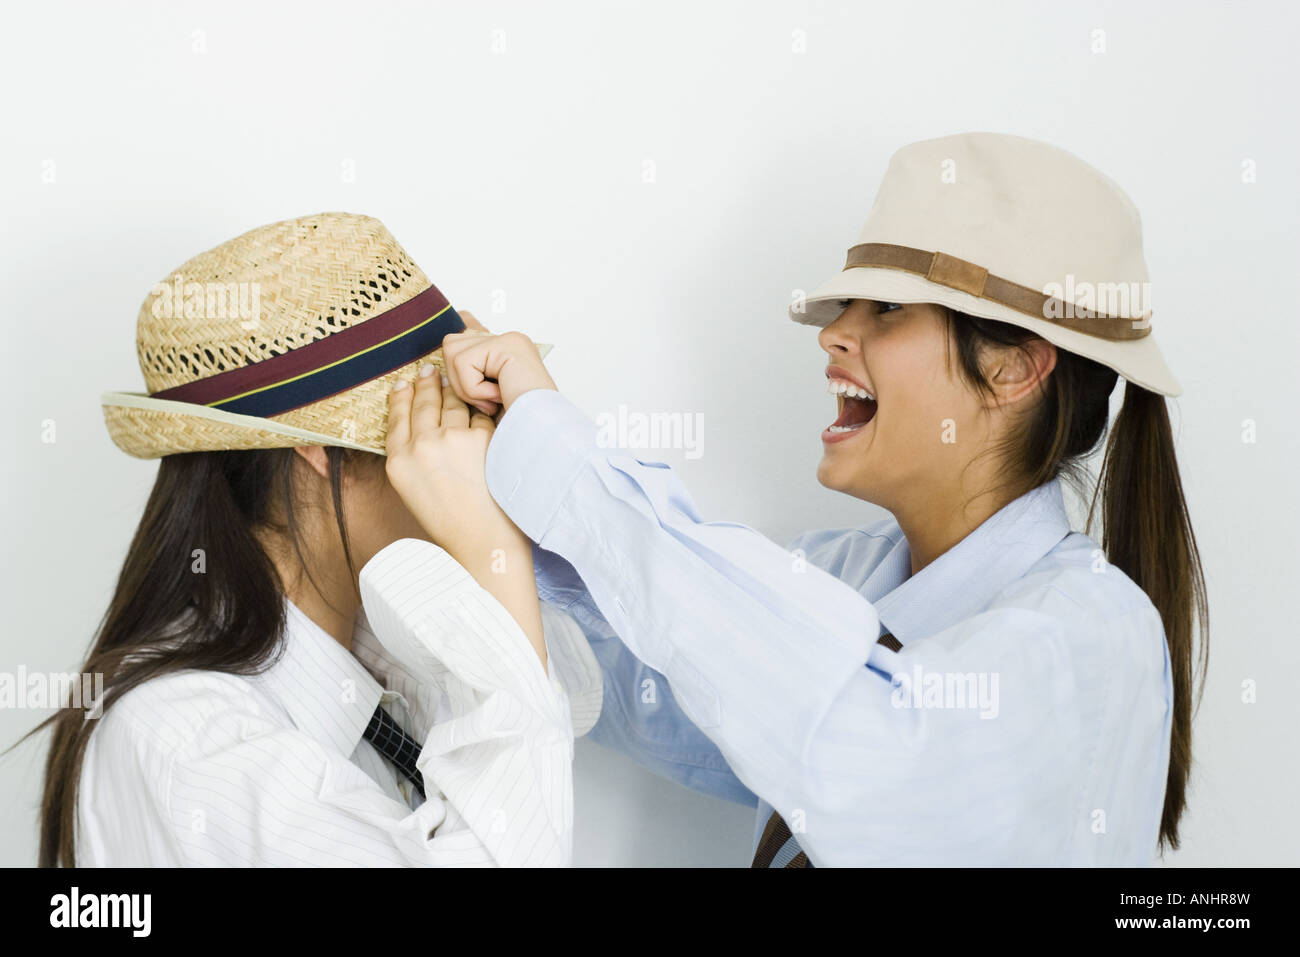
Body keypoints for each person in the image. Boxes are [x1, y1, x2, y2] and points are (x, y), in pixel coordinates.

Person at [420, 132, 1210, 866]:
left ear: (1013, 369)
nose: (832, 334)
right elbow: (656, 678)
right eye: (844, 308)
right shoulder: (842, 576)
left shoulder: (1092, 635)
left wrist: (559, 461)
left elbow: (857, 753)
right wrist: (496, 512)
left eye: (887, 309)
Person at [23, 212, 601, 867]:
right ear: (318, 449)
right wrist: (491, 555)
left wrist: (519, 517)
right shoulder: (190, 740)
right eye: (447, 420)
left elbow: (567, 703)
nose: (481, 453)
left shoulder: (377, 659)